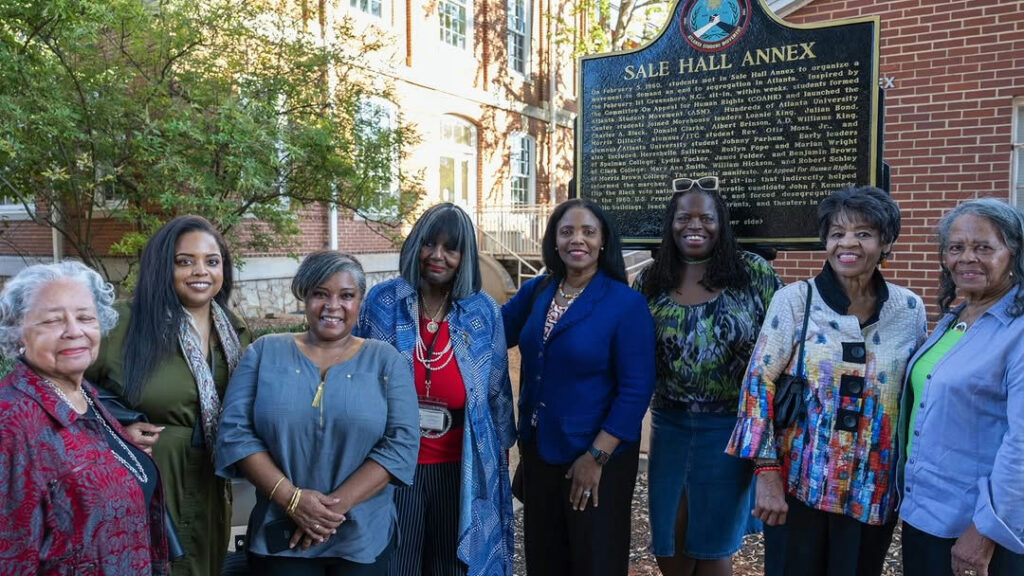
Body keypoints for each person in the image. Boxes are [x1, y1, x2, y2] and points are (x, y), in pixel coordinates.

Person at [727, 186, 927, 576]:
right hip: (800, 484)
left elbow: (910, 394)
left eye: (863, 234)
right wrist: (766, 473)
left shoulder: (908, 309)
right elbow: (758, 384)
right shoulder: (795, 300)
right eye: (837, 234)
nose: (847, 244)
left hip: (872, 489)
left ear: (886, 241)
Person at [216, 250, 419, 576]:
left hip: (361, 537)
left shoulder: (386, 361)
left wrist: (327, 512)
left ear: (360, 301)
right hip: (280, 536)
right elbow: (235, 434)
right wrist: (293, 501)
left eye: (346, 295)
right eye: (320, 294)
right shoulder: (264, 352)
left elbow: (402, 444)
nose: (332, 306)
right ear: (305, 296)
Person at [86, 215, 251, 575]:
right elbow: (67, 387)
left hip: (210, 480)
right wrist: (113, 433)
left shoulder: (234, 331)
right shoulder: (124, 324)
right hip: (148, 475)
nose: (200, 271)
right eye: (184, 261)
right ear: (164, 266)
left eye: (212, 261)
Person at [634, 177, 782, 576]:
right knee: (669, 539)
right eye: (684, 217)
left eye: (706, 217)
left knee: (714, 543)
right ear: (671, 224)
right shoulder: (649, 279)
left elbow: (783, 347)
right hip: (670, 424)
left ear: (722, 224)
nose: (694, 225)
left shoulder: (753, 274)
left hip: (729, 429)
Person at [358, 203, 516, 576]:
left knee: (452, 566)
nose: (438, 256)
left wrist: (502, 460)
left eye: (451, 248)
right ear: (416, 245)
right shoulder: (382, 303)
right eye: (430, 244)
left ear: (465, 256)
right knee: (397, 565)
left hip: (459, 469)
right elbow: (354, 379)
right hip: (392, 467)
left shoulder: (483, 312)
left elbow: (497, 393)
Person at [502, 197, 656, 576]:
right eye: (567, 231)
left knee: (594, 559)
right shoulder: (537, 292)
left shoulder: (625, 303)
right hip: (538, 451)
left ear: (603, 241)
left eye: (589, 231)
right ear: (554, 239)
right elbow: (487, 335)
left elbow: (636, 389)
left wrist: (597, 457)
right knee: (544, 556)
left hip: (593, 458)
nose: (578, 239)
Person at [0, 261, 169, 574]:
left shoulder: (85, 394)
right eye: (52, 321)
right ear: (18, 334)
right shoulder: (11, 421)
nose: (74, 331)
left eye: (85, 317)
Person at [897, 198, 1024, 576]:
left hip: (976, 530)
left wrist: (985, 532)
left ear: (1013, 254)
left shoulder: (1017, 332)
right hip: (925, 515)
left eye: (984, 247)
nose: (967, 258)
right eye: (956, 248)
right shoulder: (953, 320)